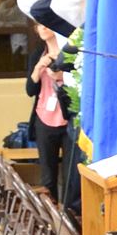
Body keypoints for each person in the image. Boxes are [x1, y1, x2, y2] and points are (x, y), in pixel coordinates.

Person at [25, 22, 73, 193]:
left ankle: (69, 215)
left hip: (68, 118)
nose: (43, 27)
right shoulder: (38, 54)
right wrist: (38, 68)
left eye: (47, 23)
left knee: (70, 175)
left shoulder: (70, 52)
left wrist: (62, 76)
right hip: (44, 118)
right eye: (39, 25)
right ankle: (50, 215)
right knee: (47, 176)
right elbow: (30, 90)